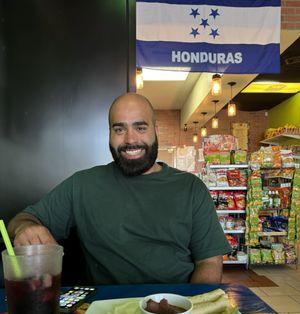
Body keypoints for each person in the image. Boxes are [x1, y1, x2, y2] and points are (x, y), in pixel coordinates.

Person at [8, 93, 231, 284]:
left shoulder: (191, 188)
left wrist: (190, 310)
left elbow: (210, 262)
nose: (130, 139)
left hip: (176, 310)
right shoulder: (82, 185)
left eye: (140, 127)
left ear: (155, 130)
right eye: (119, 129)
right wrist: (24, 228)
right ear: (110, 133)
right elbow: (22, 219)